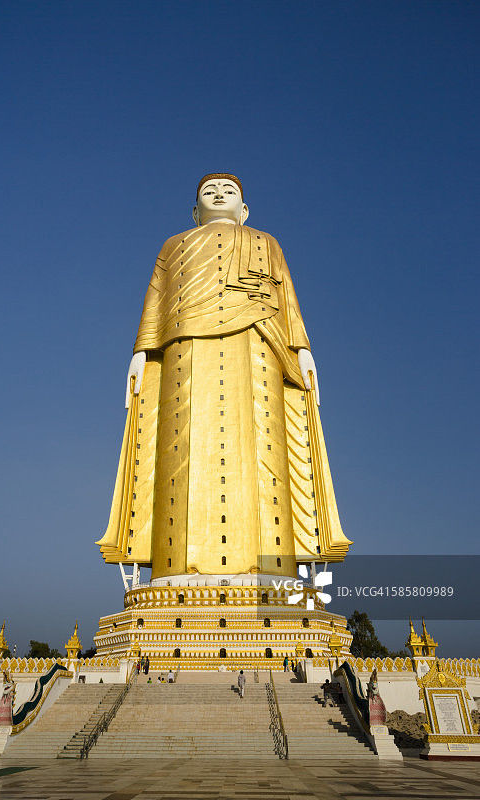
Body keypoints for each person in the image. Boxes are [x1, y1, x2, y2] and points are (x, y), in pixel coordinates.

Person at [97, 174, 351, 575]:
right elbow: (156, 300)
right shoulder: (173, 245)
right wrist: (141, 353)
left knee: (264, 445)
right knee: (179, 451)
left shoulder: (266, 243)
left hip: (258, 345)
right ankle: (175, 569)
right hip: (185, 348)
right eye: (209, 191)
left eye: (229, 191)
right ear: (195, 212)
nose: (219, 194)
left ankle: (271, 570)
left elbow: (287, 300)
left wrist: (302, 349)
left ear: (245, 211)